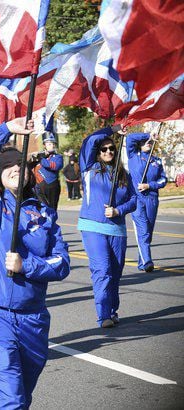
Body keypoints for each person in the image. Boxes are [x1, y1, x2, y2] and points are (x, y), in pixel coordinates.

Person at [0, 118, 70, 409]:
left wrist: (28, 265)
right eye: (8, 164)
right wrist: (7, 129)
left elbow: (61, 262)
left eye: (21, 164)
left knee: (22, 394)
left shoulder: (44, 213)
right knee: (10, 399)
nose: (16, 168)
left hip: (33, 316)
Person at [78, 125, 136, 328]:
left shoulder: (123, 174)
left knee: (115, 272)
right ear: (98, 152)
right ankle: (103, 315)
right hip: (93, 227)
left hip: (117, 230)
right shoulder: (88, 167)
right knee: (102, 270)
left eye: (111, 148)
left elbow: (134, 199)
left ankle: (112, 310)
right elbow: (90, 140)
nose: (108, 152)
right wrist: (113, 129)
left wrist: (118, 210)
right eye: (104, 149)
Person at [126, 132, 166, 272]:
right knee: (142, 230)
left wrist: (150, 186)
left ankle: (141, 262)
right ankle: (148, 261)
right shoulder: (133, 156)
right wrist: (149, 134)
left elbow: (163, 180)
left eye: (150, 141)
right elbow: (129, 138)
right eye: (145, 141)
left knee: (148, 232)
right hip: (137, 199)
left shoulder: (157, 161)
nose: (148, 143)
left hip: (152, 199)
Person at [32, 132, 63, 209]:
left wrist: (41, 158)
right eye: (49, 144)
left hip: (51, 186)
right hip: (38, 186)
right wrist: (33, 158)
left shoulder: (58, 157)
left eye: (53, 144)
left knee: (51, 209)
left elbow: (52, 166)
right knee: (41, 209)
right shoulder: (39, 156)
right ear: (44, 145)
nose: (52, 145)